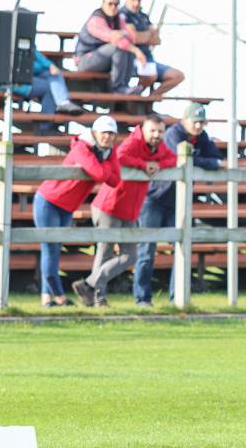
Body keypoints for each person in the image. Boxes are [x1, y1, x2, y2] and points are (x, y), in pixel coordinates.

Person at [72, 115, 176, 307]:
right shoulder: (133, 142)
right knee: (105, 252)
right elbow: (120, 156)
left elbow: (173, 159)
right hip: (110, 205)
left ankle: (88, 285)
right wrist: (144, 165)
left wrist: (158, 165)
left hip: (130, 209)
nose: (156, 135)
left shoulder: (159, 147)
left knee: (131, 256)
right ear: (143, 130)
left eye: (160, 131)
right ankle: (98, 300)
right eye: (152, 131)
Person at [133, 103, 224, 306]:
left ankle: (178, 298)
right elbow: (184, 159)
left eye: (201, 122)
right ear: (184, 120)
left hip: (179, 202)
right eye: (195, 121)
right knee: (147, 250)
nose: (198, 126)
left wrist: (210, 161)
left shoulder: (201, 137)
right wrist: (211, 163)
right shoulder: (173, 134)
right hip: (155, 199)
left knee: (183, 248)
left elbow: (215, 156)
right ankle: (142, 298)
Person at [33, 116, 121, 307]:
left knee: (55, 250)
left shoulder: (108, 152)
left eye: (111, 133)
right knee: (50, 249)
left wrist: (105, 165)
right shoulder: (82, 147)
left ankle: (46, 298)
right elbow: (100, 174)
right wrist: (107, 166)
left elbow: (115, 180)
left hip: (67, 207)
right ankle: (59, 297)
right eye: (104, 133)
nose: (107, 137)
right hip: (49, 201)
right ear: (95, 132)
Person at [74, 0, 147, 95]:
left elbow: (131, 36)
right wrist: (137, 51)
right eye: (110, 4)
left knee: (127, 48)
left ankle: (124, 85)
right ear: (103, 4)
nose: (113, 7)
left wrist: (122, 34)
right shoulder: (96, 19)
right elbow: (113, 38)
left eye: (116, 4)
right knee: (120, 47)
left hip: (104, 59)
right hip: (86, 60)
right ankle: (117, 87)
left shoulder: (117, 18)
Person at [121, 0, 186, 97]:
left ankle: (150, 99)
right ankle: (134, 100)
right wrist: (149, 34)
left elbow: (156, 40)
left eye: (139, 0)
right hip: (131, 60)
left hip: (148, 59)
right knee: (150, 75)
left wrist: (142, 36)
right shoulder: (122, 15)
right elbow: (134, 38)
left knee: (177, 76)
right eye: (133, 0)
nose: (136, 3)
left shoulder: (143, 16)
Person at [14, 50, 85, 124]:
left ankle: (63, 103)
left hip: (30, 76)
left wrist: (50, 65)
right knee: (50, 88)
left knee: (54, 74)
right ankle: (45, 126)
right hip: (15, 82)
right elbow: (23, 66)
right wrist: (45, 66)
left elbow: (35, 54)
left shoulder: (28, 46)